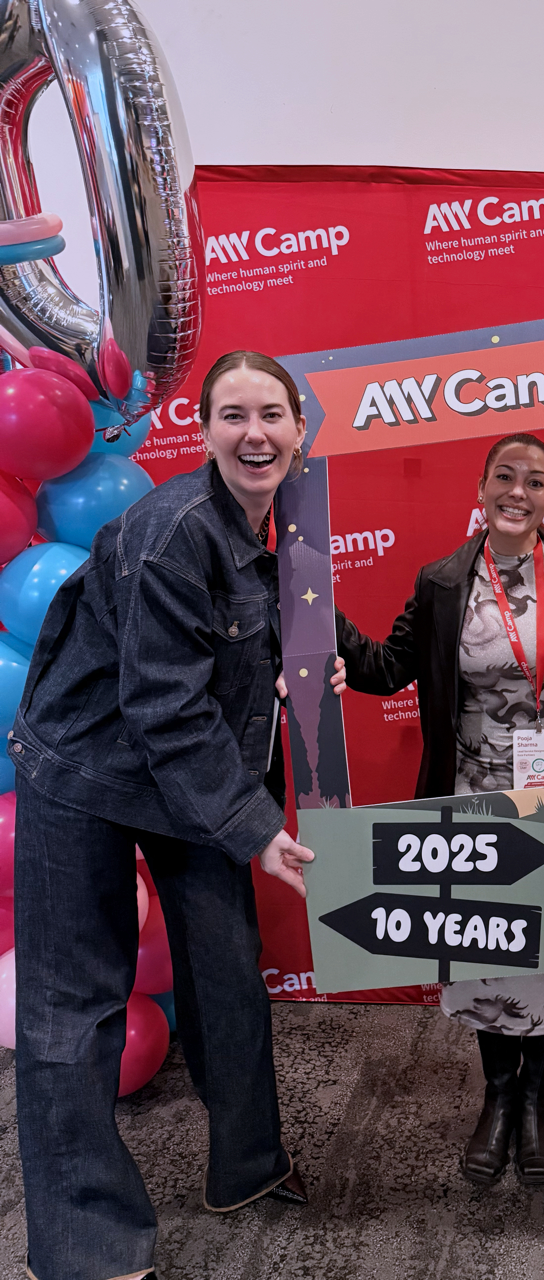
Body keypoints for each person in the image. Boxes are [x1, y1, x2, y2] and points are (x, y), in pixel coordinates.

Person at [9, 351, 334, 1280]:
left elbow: (248, 643)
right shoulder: (171, 529)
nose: (255, 433)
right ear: (203, 432)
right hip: (87, 769)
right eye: (233, 416)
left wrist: (311, 666)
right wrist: (253, 827)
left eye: (272, 414)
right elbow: (165, 707)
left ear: (299, 429)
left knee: (227, 968)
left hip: (184, 773)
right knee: (74, 1008)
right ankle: (83, 1247)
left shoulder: (288, 522)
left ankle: (248, 1167)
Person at [332, 431, 544, 1187]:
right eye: (506, 478)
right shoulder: (444, 581)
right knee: (488, 951)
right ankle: (497, 1096)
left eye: (536, 481)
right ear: (481, 488)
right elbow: (388, 671)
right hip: (476, 805)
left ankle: (537, 1099)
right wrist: (318, 619)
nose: (519, 492)